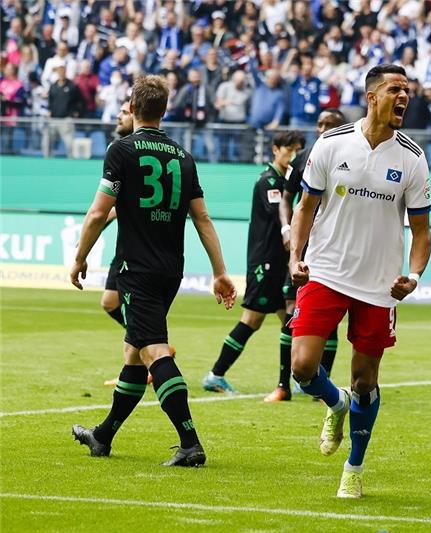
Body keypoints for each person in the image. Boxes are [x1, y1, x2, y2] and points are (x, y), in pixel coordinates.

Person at [70, 75, 237, 466]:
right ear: (165, 110)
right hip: (170, 270)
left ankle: (190, 442)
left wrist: (80, 257)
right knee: (133, 351)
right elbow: (203, 219)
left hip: (136, 269)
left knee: (154, 352)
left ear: (132, 105)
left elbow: (98, 212)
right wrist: (220, 271)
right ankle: (103, 435)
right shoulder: (183, 157)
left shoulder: (121, 151)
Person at [289, 64, 431, 498]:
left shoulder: (412, 158)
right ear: (372, 96)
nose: (403, 96)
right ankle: (336, 404)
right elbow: (305, 208)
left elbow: (422, 232)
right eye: (395, 89)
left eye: (406, 91)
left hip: (379, 284)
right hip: (327, 270)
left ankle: (354, 467)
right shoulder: (331, 144)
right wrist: (296, 255)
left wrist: (414, 274)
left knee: (366, 381)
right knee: (302, 367)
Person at [202, 130, 305, 395]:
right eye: (289, 149)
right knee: (252, 320)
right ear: (275, 149)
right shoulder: (268, 182)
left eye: (297, 151)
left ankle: (295, 381)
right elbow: (279, 215)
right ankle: (216, 374)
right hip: (265, 262)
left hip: (279, 262)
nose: (292, 156)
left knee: (291, 320)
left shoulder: (283, 181)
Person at [264, 108, 347, 403]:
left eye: (330, 125)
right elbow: (287, 198)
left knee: (332, 318)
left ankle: (319, 385)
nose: (323, 129)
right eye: (320, 124)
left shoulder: (351, 159)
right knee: (290, 309)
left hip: (332, 247)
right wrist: (287, 229)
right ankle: (283, 385)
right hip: (304, 248)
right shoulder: (304, 158)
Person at [99, 100, 176, 388]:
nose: (119, 116)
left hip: (138, 248)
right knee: (110, 302)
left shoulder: (126, 150)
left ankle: (150, 355)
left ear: (136, 113)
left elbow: (126, 202)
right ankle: (148, 354)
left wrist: (100, 221)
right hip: (132, 246)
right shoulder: (117, 148)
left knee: (118, 305)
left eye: (124, 111)